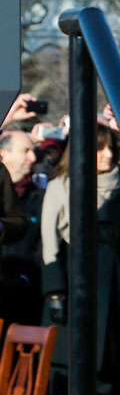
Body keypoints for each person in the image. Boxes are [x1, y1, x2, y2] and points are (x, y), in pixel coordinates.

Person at [40, 124, 120, 395]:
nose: (108, 155)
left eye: (112, 148)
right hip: (71, 287)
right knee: (69, 374)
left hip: (112, 291)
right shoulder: (63, 185)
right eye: (99, 148)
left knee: (105, 375)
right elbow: (49, 241)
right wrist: (55, 292)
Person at [0, 129, 43, 325]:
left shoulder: (41, 198)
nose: (32, 157)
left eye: (33, 151)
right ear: (3, 154)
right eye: (25, 151)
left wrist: (25, 278)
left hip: (23, 302)